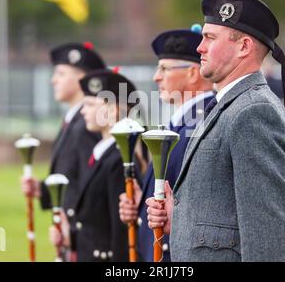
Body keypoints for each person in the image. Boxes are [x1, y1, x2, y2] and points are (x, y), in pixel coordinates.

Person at [146, 0, 285, 262]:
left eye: (210, 38)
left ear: (243, 47)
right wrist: (178, 219)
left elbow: (268, 238)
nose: (199, 47)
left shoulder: (254, 112)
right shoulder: (229, 105)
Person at [118, 26, 214, 261]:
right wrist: (141, 200)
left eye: (164, 68)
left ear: (193, 73)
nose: (156, 77)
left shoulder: (205, 122)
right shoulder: (182, 121)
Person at [20, 42, 106, 261]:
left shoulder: (86, 126)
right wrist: (42, 189)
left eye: (60, 73)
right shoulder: (72, 122)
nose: (53, 80)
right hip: (70, 236)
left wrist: (74, 233)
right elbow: (71, 178)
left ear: (80, 79)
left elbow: (92, 186)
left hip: (83, 239)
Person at [51, 69, 143, 261]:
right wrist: (69, 237)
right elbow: (92, 224)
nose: (83, 110)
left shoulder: (119, 160)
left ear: (112, 110)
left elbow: (121, 234)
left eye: (90, 104)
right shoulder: (102, 154)